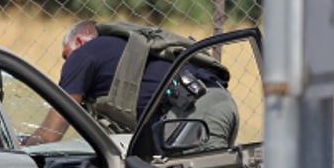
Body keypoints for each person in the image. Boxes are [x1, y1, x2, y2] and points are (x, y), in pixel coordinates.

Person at [23, 19, 238, 147]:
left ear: (78, 41)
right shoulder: (123, 46)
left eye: (65, 56)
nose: (66, 63)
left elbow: (50, 135)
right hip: (219, 103)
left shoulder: (83, 55)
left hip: (194, 114)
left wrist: (23, 147)